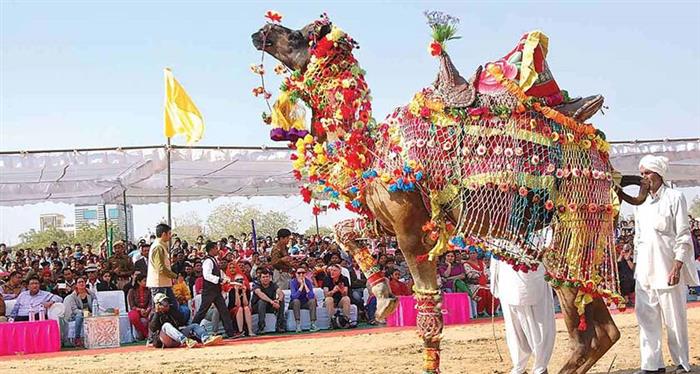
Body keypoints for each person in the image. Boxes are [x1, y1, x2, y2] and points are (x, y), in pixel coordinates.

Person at [633, 155, 699, 374]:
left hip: (668, 270)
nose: (644, 178)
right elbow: (638, 238)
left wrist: (677, 266)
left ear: (659, 174)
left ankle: (681, 363)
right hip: (644, 273)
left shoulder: (675, 197)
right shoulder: (639, 203)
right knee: (646, 321)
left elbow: (683, 235)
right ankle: (652, 366)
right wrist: (635, 267)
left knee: (674, 321)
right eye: (642, 174)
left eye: (647, 173)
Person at [490, 257, 555, 374]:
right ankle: (521, 367)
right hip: (508, 281)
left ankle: (540, 367)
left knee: (538, 327)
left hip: (532, 280)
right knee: (515, 328)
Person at [191, 241, 238, 338]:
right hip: (209, 291)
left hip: (216, 290)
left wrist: (224, 278)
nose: (218, 250)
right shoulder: (208, 261)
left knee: (224, 311)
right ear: (211, 249)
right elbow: (207, 275)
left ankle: (230, 333)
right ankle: (191, 331)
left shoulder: (214, 260)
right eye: (216, 248)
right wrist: (219, 279)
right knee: (202, 312)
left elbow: (217, 273)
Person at [149, 293, 222, 348]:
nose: (166, 304)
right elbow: (153, 328)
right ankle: (186, 341)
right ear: (158, 304)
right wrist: (157, 313)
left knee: (195, 325)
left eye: (166, 301)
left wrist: (172, 311)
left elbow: (182, 321)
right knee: (166, 325)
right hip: (165, 340)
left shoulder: (171, 310)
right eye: (163, 302)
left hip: (176, 338)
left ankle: (206, 338)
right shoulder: (154, 314)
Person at [147, 223, 181, 317]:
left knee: (172, 308)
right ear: (163, 234)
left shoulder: (161, 246)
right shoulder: (158, 247)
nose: (170, 237)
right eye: (169, 234)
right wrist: (175, 276)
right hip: (159, 284)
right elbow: (160, 268)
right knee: (160, 310)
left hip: (164, 283)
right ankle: (156, 330)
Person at [62, 277, 97, 347]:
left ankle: (96, 338)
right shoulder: (73, 296)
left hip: (90, 314)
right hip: (76, 315)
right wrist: (84, 312)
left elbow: (95, 304)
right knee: (79, 315)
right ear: (76, 285)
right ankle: (77, 338)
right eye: (79, 282)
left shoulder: (91, 293)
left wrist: (92, 312)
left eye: (83, 282)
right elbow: (74, 309)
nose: (81, 283)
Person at [251, 269, 286, 334]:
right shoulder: (256, 285)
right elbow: (260, 294)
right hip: (257, 307)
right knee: (262, 301)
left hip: (270, 306)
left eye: (267, 277)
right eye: (263, 277)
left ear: (270, 278)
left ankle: (280, 326)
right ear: (260, 278)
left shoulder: (273, 284)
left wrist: (278, 301)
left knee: (282, 301)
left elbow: (281, 293)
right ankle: (261, 327)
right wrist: (272, 302)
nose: (265, 279)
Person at [289, 266, 319, 332]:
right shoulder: (292, 282)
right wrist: (301, 286)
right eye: (299, 273)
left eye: (303, 273)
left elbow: (311, 296)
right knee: (296, 301)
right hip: (294, 303)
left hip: (305, 302)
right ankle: (298, 325)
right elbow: (294, 296)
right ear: (296, 274)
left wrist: (304, 285)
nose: (301, 275)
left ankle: (313, 324)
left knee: (312, 301)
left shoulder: (308, 282)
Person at [322, 264, 352, 328]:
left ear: (340, 272)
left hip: (339, 301)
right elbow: (326, 295)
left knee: (346, 298)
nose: (332, 272)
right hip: (330, 301)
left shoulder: (344, 279)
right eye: (331, 270)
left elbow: (345, 294)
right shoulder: (326, 279)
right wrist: (333, 291)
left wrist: (341, 290)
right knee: (329, 299)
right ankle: (333, 321)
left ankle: (346, 320)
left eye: (335, 270)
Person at [127, 274, 153, 340]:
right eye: (144, 281)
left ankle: (151, 334)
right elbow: (132, 305)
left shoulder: (149, 290)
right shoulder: (132, 291)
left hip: (147, 310)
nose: (146, 282)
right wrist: (140, 310)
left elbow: (151, 303)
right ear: (138, 282)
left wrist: (147, 309)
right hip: (137, 310)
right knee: (133, 316)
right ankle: (146, 334)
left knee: (154, 314)